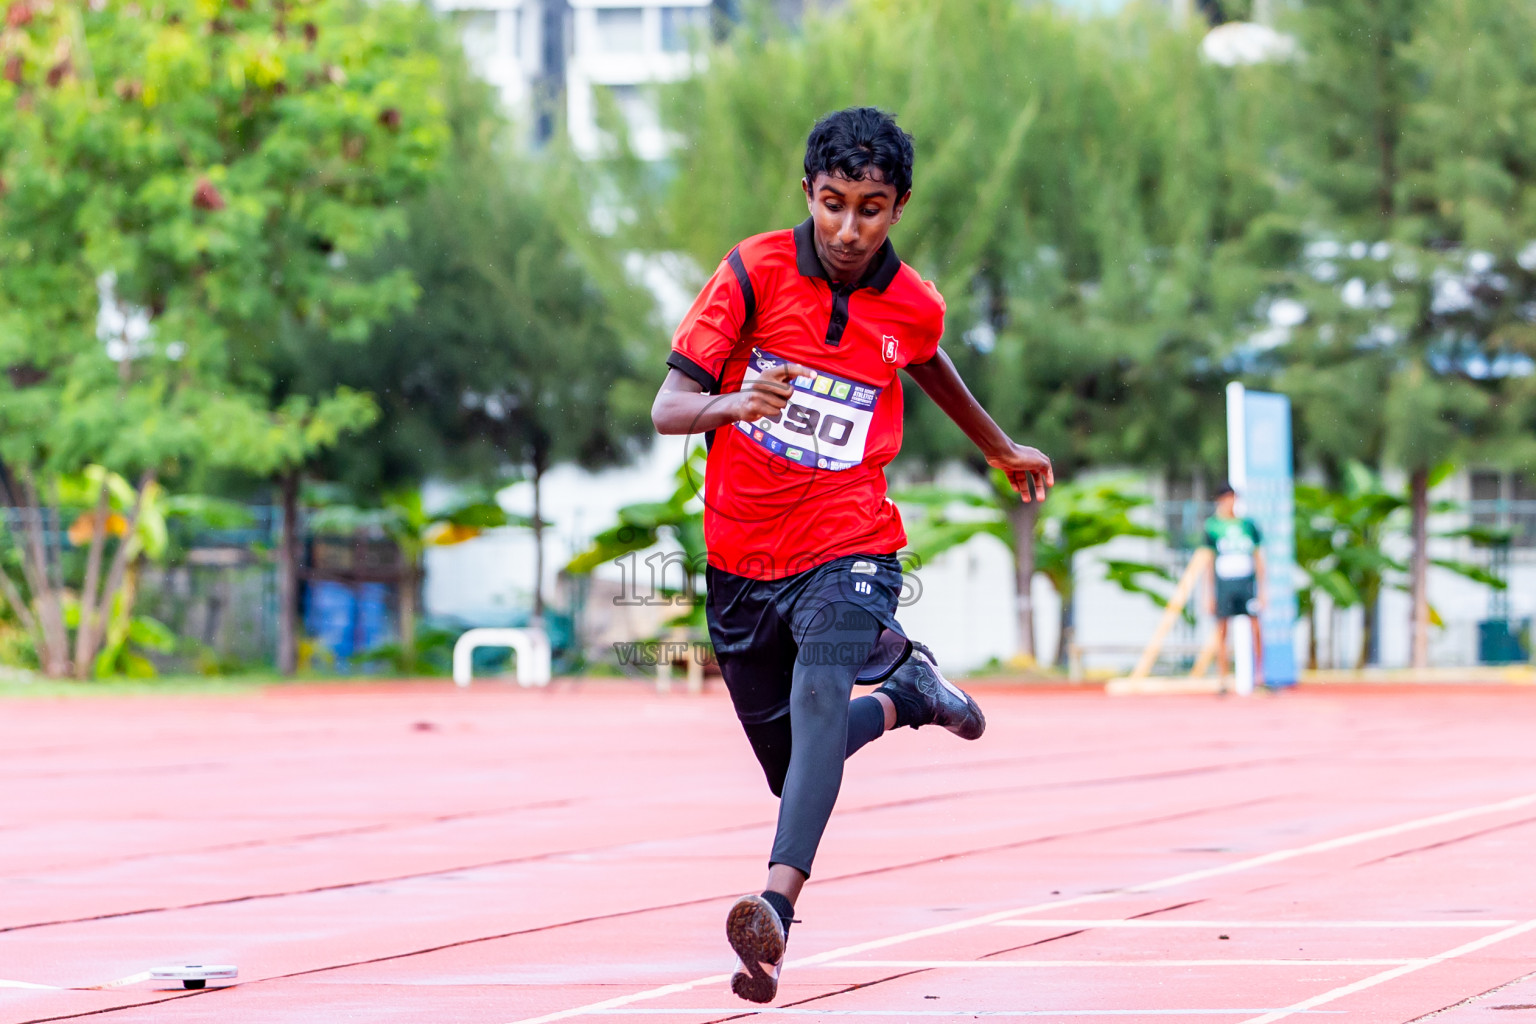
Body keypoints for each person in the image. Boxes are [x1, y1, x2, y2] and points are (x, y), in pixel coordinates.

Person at [649, 107, 1053, 1004]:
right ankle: (910, 695)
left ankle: (775, 912)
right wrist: (737, 404)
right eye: (832, 204)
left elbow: (925, 355)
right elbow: (669, 409)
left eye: (870, 208)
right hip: (743, 560)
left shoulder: (912, 301)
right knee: (794, 759)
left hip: (850, 539)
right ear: (808, 194)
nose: (847, 228)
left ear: (897, 207)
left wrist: (998, 444)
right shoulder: (750, 274)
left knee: (822, 686)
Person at [1202, 483, 1266, 692]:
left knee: (1256, 627)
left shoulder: (1248, 525)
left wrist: (1264, 590)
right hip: (1225, 583)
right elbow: (1208, 561)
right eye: (1227, 498)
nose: (1231, 503)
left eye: (1233, 498)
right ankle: (1223, 679)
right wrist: (1208, 593)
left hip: (1246, 582)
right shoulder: (1212, 526)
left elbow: (1258, 557)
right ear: (1220, 501)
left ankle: (1260, 677)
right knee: (1222, 630)